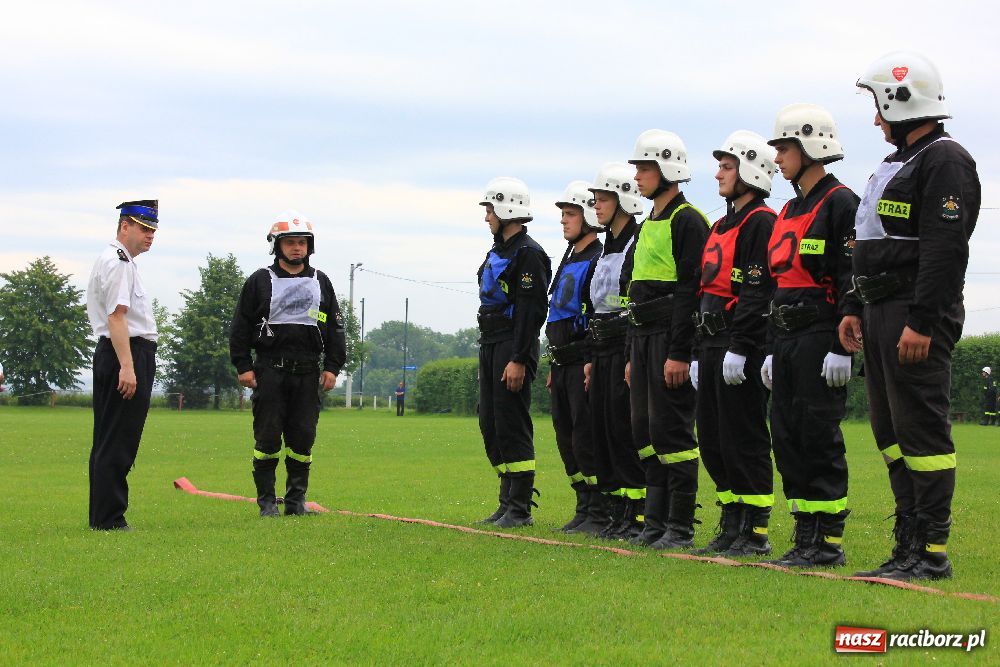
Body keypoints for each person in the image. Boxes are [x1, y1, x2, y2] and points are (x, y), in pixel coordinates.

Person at [842, 51, 981, 580]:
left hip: (913, 313)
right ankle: (907, 543)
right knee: (890, 431)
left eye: (878, 106)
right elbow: (869, 243)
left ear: (902, 102)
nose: (875, 118)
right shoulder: (894, 163)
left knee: (922, 433)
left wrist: (922, 321)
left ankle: (930, 551)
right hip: (880, 309)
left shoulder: (945, 160)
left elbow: (945, 251)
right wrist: (855, 306)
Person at [761, 104, 859, 567]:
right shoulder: (788, 209)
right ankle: (805, 534)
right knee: (787, 435)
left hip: (821, 337)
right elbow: (775, 284)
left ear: (810, 146)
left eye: (783, 148)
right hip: (784, 341)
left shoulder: (840, 202)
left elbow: (848, 275)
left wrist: (843, 347)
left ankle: (828, 543)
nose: (776, 158)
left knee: (818, 434)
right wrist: (767, 349)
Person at [692, 132, 778, 556]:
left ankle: (754, 529)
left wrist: (742, 346)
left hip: (737, 342)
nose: (718, 174)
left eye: (727, 167)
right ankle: (730, 521)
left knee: (743, 435)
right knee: (712, 437)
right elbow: (703, 290)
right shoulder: (720, 225)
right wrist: (694, 351)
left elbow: (757, 292)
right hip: (709, 343)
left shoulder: (760, 221)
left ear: (751, 170)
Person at [230, 211, 346, 517]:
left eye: (302, 242)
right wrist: (243, 365)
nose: (297, 248)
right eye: (290, 243)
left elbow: (335, 327)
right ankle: (267, 503)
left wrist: (333, 367)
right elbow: (240, 325)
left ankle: (296, 502)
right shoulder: (258, 281)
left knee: (302, 439)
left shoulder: (322, 282)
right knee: (267, 438)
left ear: (310, 247)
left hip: (308, 373)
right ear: (277, 246)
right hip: (269, 371)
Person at [626, 130, 711, 549]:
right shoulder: (648, 223)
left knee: (671, 429)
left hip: (668, 337)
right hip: (641, 339)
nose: (638, 176)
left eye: (645, 168)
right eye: (638, 168)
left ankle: (680, 526)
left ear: (668, 170)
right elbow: (635, 292)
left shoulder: (688, 219)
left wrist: (681, 352)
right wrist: (631, 353)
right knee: (643, 430)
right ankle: (653, 522)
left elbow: (691, 290)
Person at [476, 177, 552, 528]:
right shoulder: (497, 251)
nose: (487, 216)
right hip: (490, 342)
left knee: (511, 422)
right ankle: (506, 500)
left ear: (507, 209)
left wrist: (519, 358)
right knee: (490, 422)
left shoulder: (529, 253)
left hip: (512, 344)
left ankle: (519, 507)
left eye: (490, 209)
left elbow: (531, 311)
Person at [580, 163, 648, 539]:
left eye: (603, 199)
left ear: (624, 199)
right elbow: (596, 306)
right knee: (602, 432)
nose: (597, 206)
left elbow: (629, 304)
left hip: (624, 344)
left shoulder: (636, 243)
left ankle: (635, 513)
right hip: (601, 346)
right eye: (595, 199)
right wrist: (591, 358)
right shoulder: (608, 246)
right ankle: (615, 511)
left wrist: (627, 355)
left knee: (624, 432)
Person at [85, 200, 159, 531]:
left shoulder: (121, 262)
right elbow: (117, 317)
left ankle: (104, 515)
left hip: (119, 352)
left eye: (153, 231)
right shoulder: (118, 263)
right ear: (124, 226)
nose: (150, 236)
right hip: (124, 353)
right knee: (118, 440)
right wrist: (127, 367)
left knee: (109, 439)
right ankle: (110, 518)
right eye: (144, 228)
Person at [545, 180, 603, 532]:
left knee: (585, 436)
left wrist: (590, 360)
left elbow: (595, 313)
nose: (564, 221)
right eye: (563, 214)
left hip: (582, 359)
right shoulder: (569, 258)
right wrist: (554, 363)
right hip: (561, 362)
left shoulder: (597, 259)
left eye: (570, 214)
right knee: (565, 438)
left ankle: (599, 509)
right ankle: (582, 504)